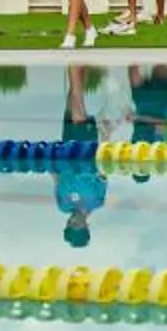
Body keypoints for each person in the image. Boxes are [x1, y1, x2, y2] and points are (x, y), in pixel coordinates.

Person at [55, 63, 108, 245]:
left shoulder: (63, 205)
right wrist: (106, 138)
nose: (73, 222)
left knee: (72, 100)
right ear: (86, 226)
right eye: (77, 226)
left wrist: (51, 158)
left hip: (66, 149)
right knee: (78, 105)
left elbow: (56, 179)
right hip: (86, 148)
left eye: (70, 225)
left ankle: (80, 64)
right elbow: (103, 171)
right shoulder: (96, 201)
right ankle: (74, 61)